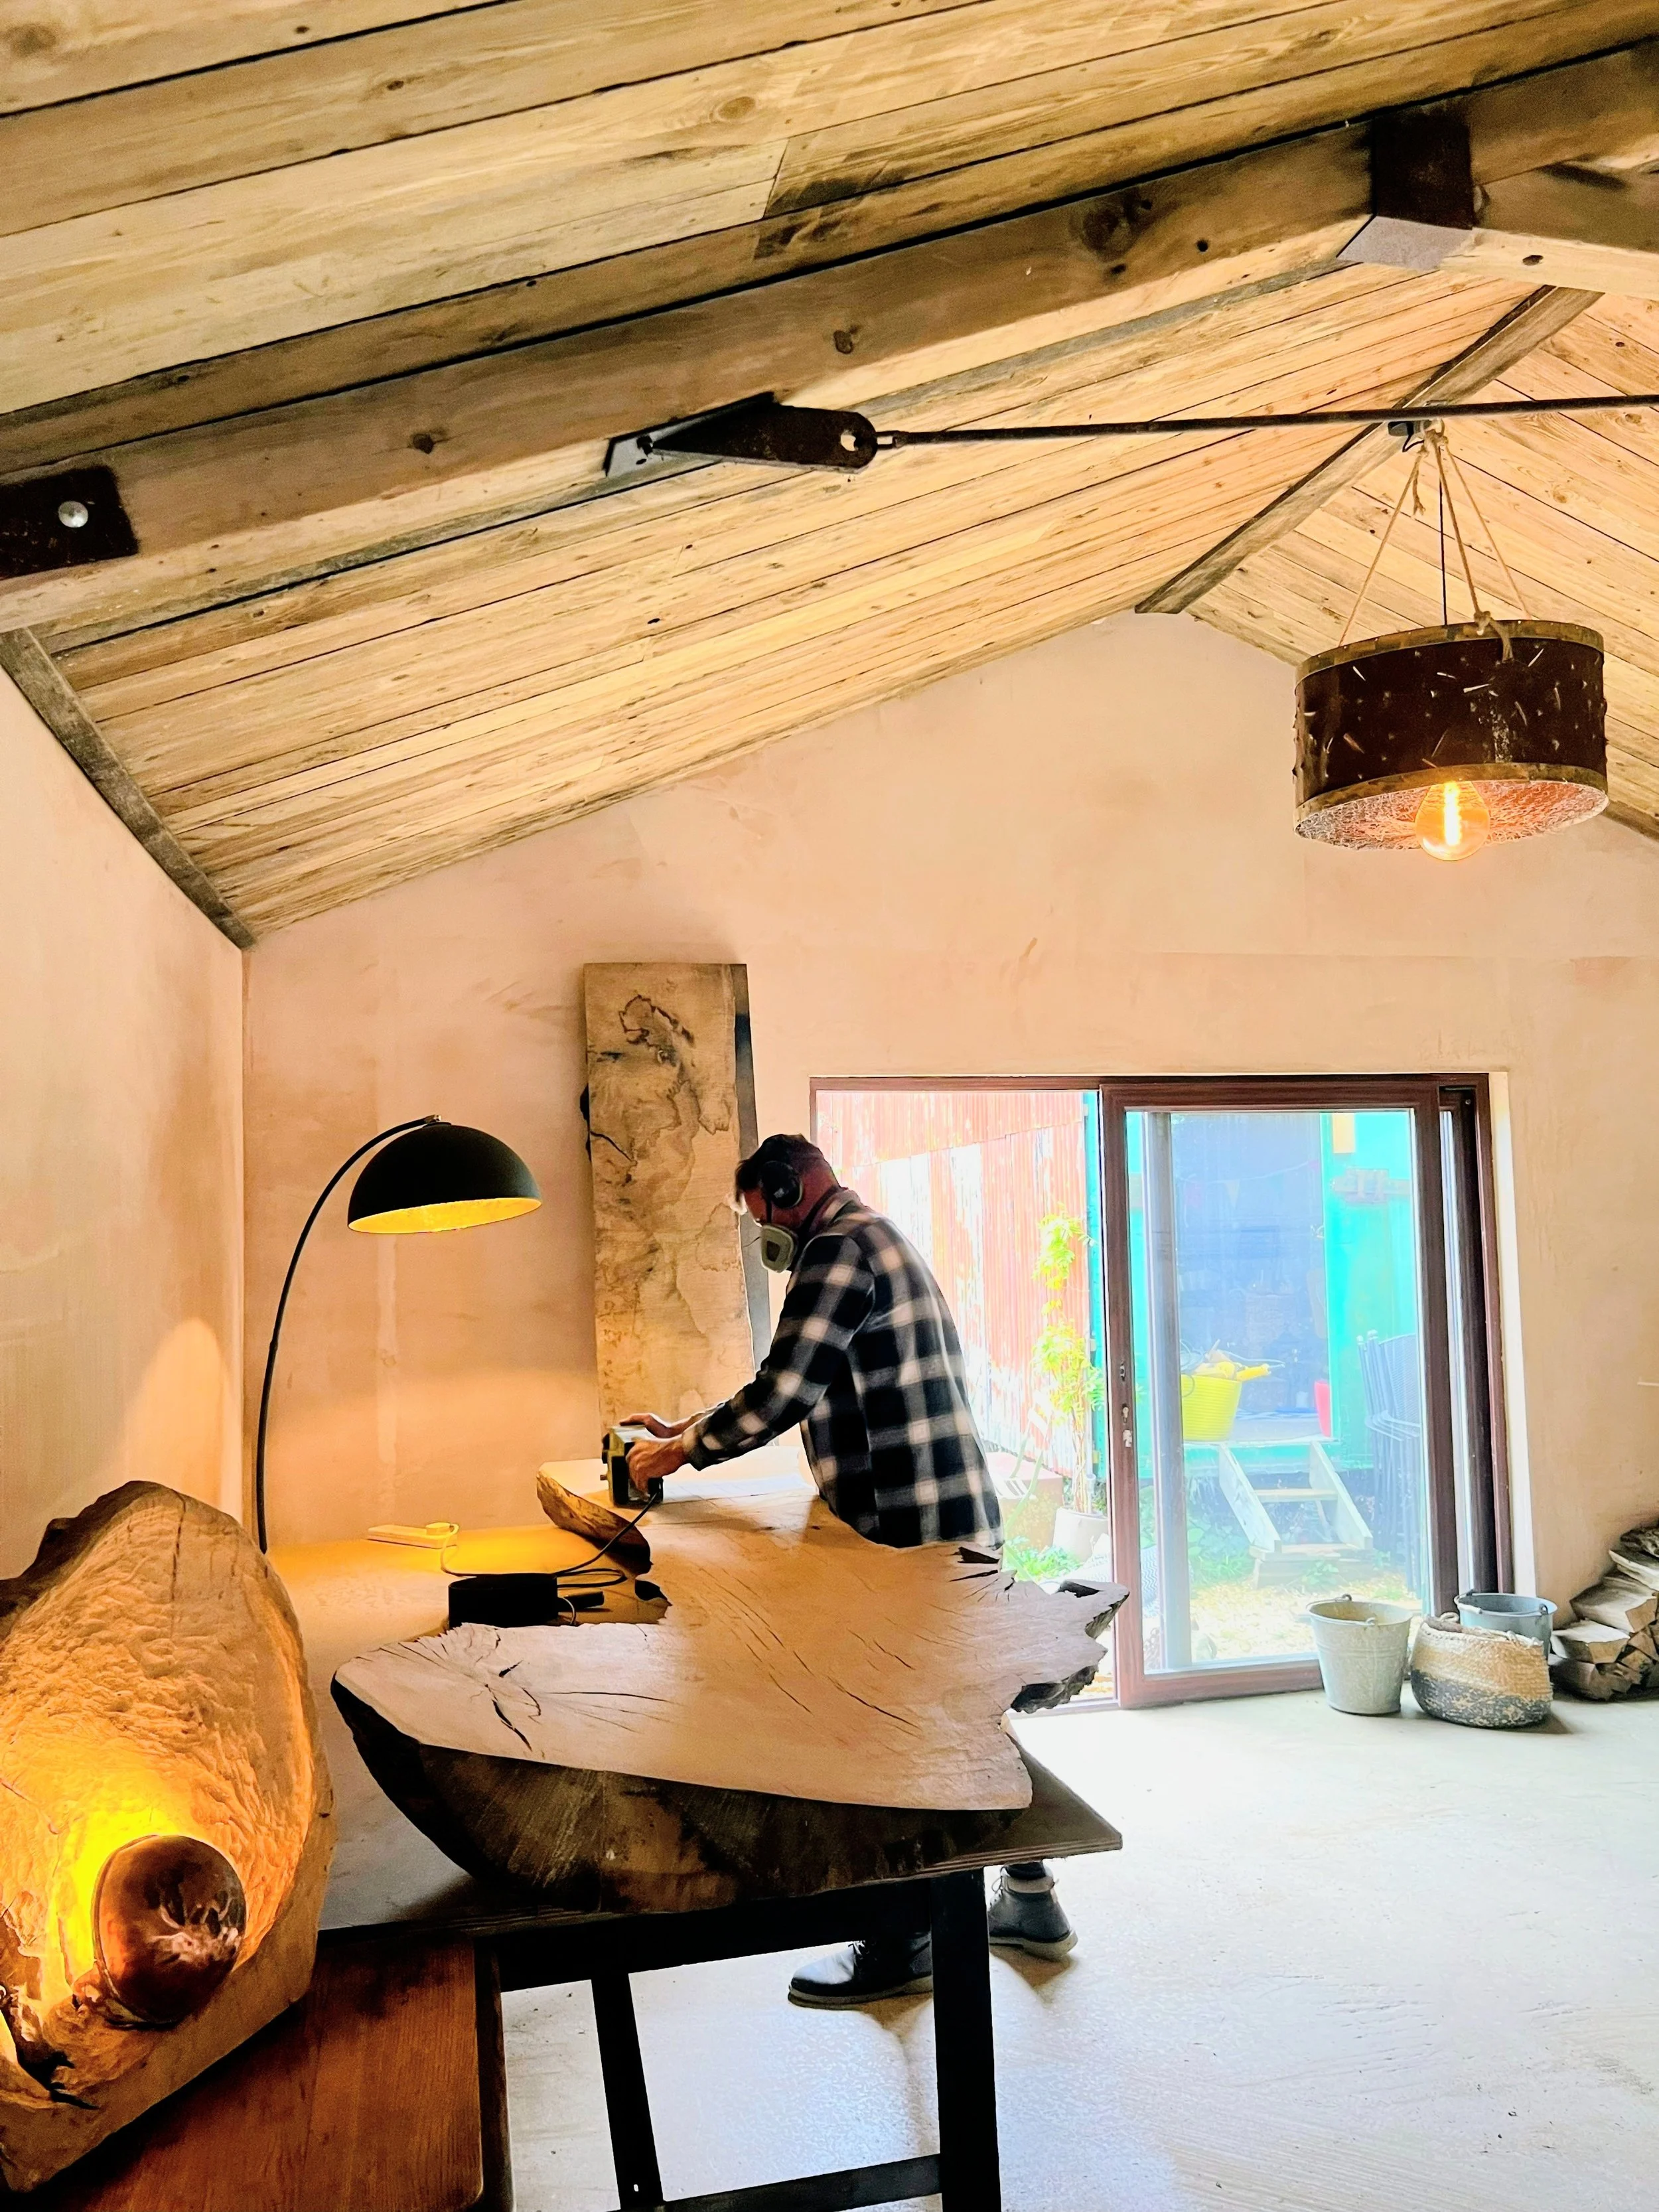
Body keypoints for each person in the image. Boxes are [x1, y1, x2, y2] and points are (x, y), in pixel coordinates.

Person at [624, 1132, 1078, 2007]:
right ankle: (1032, 1902)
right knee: (963, 1709)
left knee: (894, 1727)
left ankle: (902, 1936)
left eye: (762, 1218)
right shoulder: (869, 1235)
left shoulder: (835, 1248)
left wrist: (679, 1457)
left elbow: (786, 1389)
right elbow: (803, 1378)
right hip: (942, 1514)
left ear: (785, 1189)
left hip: (913, 1527)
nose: (767, 1239)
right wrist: (682, 1429)